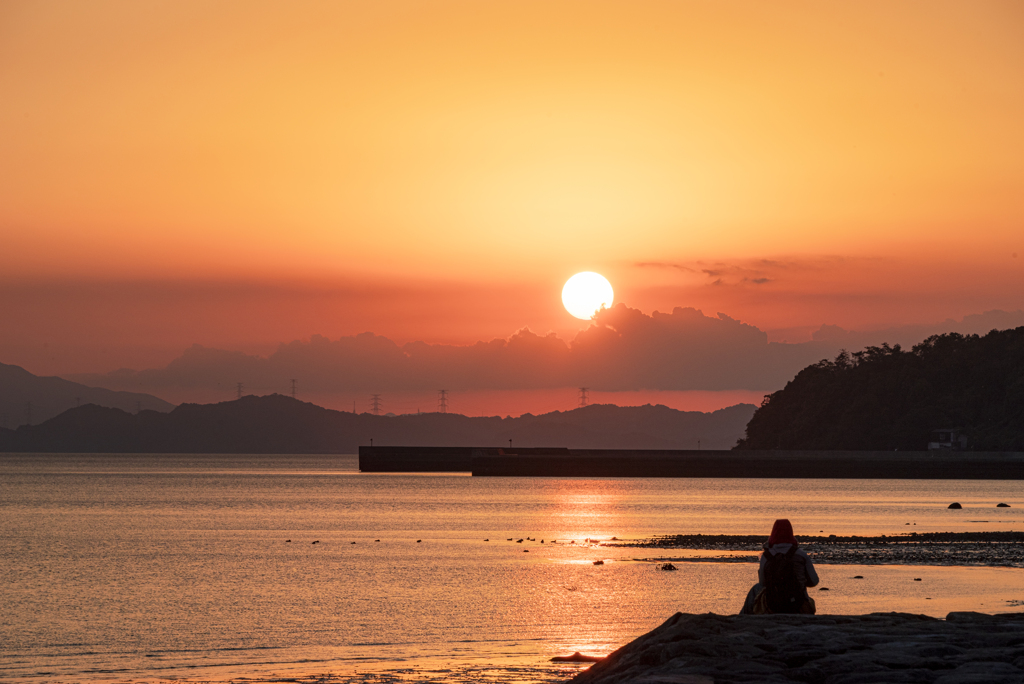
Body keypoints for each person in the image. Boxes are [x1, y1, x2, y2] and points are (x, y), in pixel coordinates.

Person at [740, 519, 819, 614]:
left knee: (755, 589)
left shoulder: (766, 556)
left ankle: (743, 619)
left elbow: (762, 582)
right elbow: (814, 581)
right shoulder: (801, 555)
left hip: (772, 606)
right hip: (798, 605)